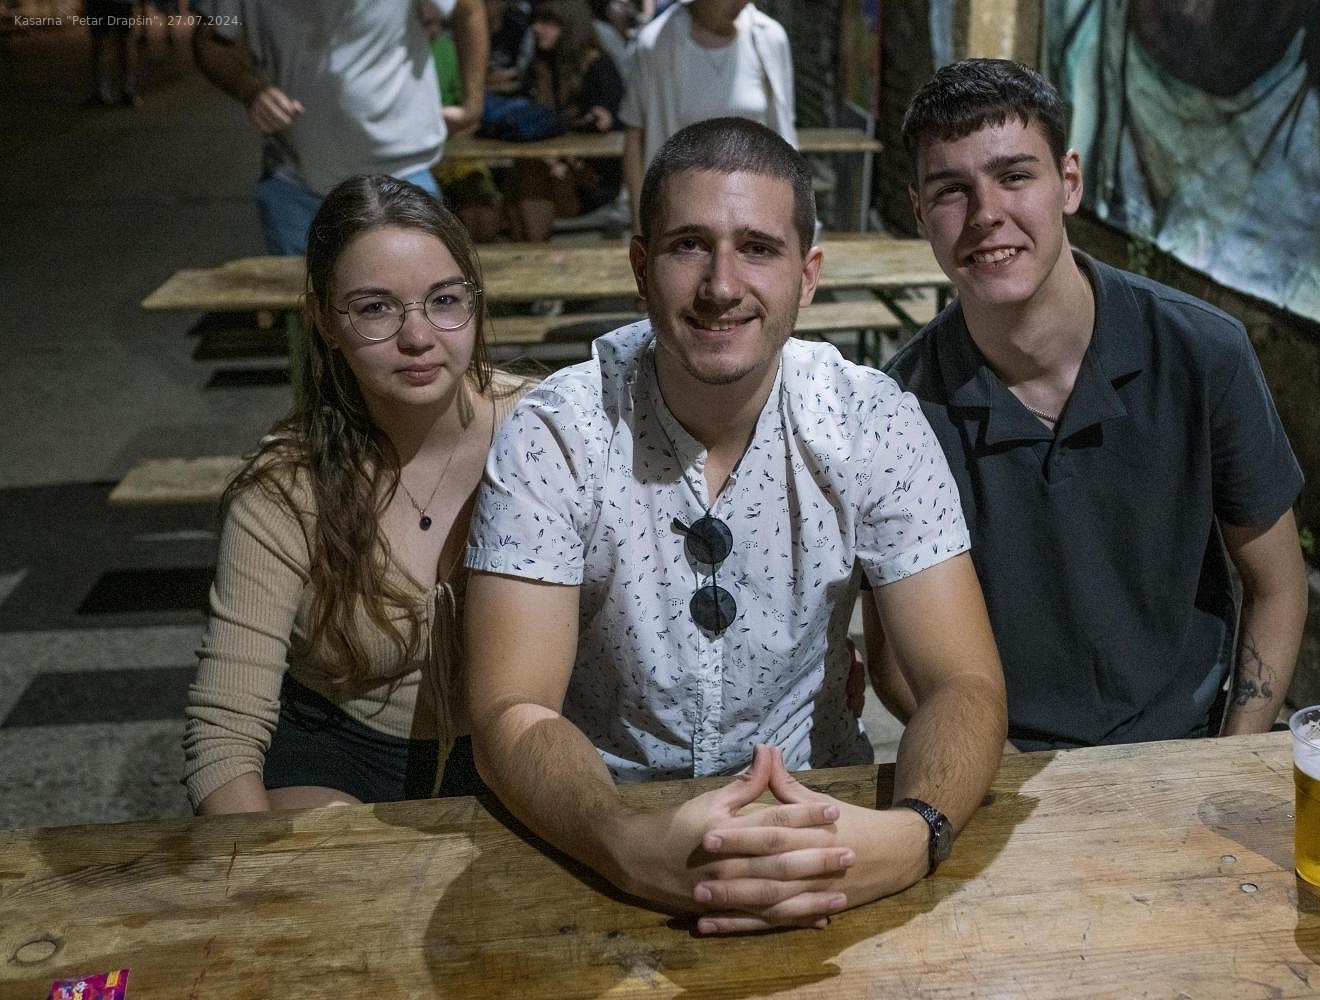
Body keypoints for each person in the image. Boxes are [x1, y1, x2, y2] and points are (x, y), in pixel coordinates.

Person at [463, 118, 1007, 934]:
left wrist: (915, 833)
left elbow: (962, 681)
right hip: (603, 831)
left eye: (757, 248)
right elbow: (511, 708)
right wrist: (621, 841)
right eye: (689, 246)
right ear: (641, 268)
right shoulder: (559, 431)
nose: (722, 285)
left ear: (807, 275)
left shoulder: (869, 421)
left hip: (825, 823)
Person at [874, 58, 1308, 753]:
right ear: (920, 212)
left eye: (1015, 176)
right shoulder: (897, 409)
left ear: (1068, 183)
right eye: (952, 190)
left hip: (1190, 743)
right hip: (1002, 757)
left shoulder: (1202, 353)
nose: (986, 215)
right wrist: (994, 769)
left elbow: (1277, 587)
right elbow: (895, 661)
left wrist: (1230, 755)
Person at [183, 175, 532, 814]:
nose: (418, 336)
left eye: (445, 300)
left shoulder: (549, 434)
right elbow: (225, 729)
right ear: (324, 322)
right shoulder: (289, 484)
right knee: (333, 863)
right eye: (375, 308)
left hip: (522, 742)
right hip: (339, 748)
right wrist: (254, 868)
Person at [189, 0, 487, 257]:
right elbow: (210, 37)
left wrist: (473, 103)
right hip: (295, 178)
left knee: (409, 297)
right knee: (305, 301)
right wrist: (249, 89)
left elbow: (468, 9)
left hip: (403, 172)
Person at [618, 0, 794, 232]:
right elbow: (635, 138)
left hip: (755, 211)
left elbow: (784, 134)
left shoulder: (768, 37)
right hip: (685, 214)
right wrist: (641, 227)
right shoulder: (655, 46)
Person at [492, 0, 626, 243]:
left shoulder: (599, 69)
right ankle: (528, 253)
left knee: (529, 174)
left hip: (591, 177)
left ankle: (534, 253)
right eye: (536, 21)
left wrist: (599, 121)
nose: (536, 28)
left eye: (547, 22)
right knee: (521, 174)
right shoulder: (542, 67)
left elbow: (612, 125)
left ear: (569, 26)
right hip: (552, 165)